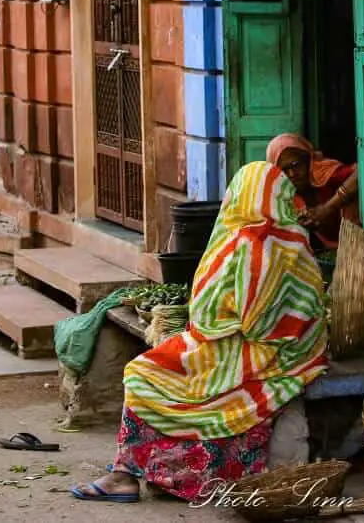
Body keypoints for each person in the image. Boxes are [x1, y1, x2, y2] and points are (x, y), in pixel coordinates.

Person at [70, 161, 329, 503]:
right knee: (160, 370)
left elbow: (256, 322)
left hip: (259, 351)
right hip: (279, 349)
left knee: (144, 374)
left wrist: (214, 326)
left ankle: (130, 475)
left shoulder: (256, 245)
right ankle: (144, 474)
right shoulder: (289, 241)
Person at [265, 133, 360, 251]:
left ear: (307, 159)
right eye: (283, 170)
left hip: (361, 241)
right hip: (334, 250)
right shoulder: (283, 194)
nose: (292, 174)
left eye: (295, 165)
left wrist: (328, 207)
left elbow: (361, 173)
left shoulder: (324, 171)